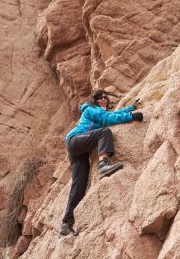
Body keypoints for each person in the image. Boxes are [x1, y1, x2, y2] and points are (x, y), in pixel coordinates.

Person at [59, 89, 143, 236]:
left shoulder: (100, 112)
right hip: (74, 140)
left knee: (79, 185)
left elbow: (111, 115)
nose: (104, 99)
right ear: (94, 99)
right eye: (100, 97)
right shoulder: (91, 109)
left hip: (80, 149)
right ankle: (103, 165)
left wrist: (130, 109)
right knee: (105, 131)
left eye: (105, 97)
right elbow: (108, 120)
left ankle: (66, 224)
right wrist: (132, 116)